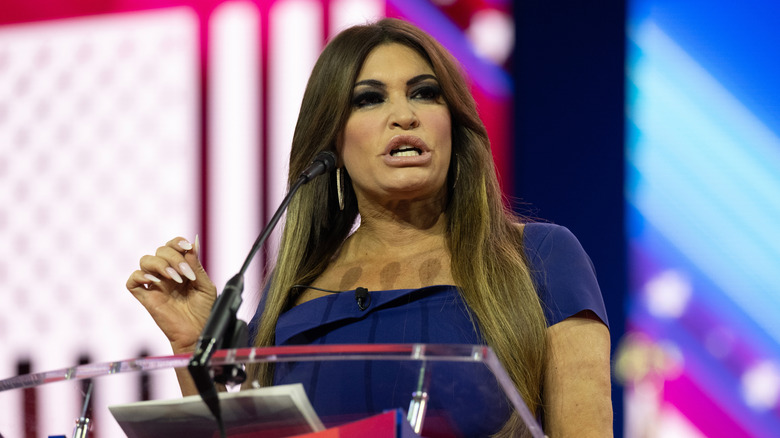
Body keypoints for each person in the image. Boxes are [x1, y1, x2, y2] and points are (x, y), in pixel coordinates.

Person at [126, 18, 612, 437]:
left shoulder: (540, 257)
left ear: (453, 124)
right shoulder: (291, 291)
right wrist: (193, 347)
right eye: (369, 100)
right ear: (332, 144)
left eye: (425, 93)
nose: (405, 116)